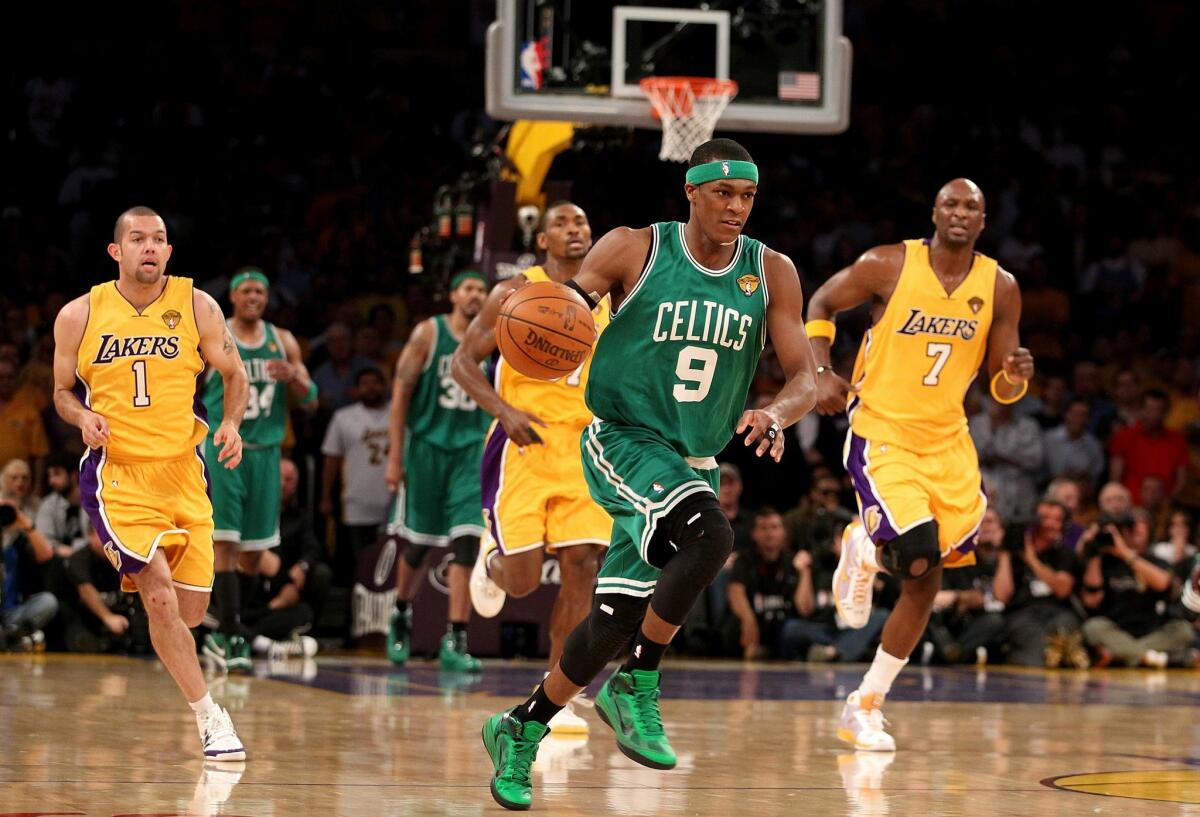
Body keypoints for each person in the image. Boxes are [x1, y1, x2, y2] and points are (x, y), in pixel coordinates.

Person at [480, 138, 818, 810]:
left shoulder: (771, 271)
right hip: (622, 436)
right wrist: (537, 310)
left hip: (691, 455)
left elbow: (807, 375)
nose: (736, 207)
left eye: (747, 195)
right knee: (712, 536)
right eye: (723, 192)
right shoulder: (634, 247)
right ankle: (638, 680)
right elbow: (566, 310)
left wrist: (777, 413)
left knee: (611, 618)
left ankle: (518, 725)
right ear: (690, 191)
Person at [807, 179, 1035, 751]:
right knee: (913, 552)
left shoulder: (1000, 287)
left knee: (926, 577)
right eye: (952, 204)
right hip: (882, 430)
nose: (961, 213)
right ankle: (862, 545)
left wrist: (1015, 376)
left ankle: (865, 703)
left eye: (973, 207)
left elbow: (1001, 388)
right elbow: (822, 304)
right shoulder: (886, 264)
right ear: (934, 212)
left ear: (984, 221)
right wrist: (818, 371)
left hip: (948, 441)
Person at [51, 206, 248, 760]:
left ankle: (166, 630)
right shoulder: (79, 315)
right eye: (138, 239)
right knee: (159, 599)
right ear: (116, 251)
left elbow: (234, 374)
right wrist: (81, 417)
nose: (150, 247)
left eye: (159, 239)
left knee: (187, 612)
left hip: (185, 471)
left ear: (168, 250)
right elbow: (62, 391)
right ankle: (211, 719)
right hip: (118, 475)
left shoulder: (197, 305)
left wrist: (230, 423)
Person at [451, 202, 612, 733]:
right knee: (521, 584)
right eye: (563, 223)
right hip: (524, 444)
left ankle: (557, 691)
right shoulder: (514, 292)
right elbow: (463, 362)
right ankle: (491, 561)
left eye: (582, 223)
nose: (576, 229)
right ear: (542, 240)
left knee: (582, 567)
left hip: (585, 449)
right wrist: (504, 410)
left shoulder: (614, 297)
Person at [201, 268, 317, 673]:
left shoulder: (281, 340)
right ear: (232, 296)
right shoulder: (216, 334)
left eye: (261, 291)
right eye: (246, 290)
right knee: (225, 543)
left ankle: (231, 626)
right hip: (225, 446)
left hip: (267, 452)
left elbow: (311, 399)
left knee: (254, 553)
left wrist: (296, 378)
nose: (254, 296)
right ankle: (230, 631)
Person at [385, 270, 491, 672]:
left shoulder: (495, 338)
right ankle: (401, 613)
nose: (476, 295)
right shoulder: (428, 334)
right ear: (452, 294)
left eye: (482, 290)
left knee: (466, 542)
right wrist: (396, 456)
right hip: (427, 449)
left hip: (469, 451)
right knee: (419, 544)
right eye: (468, 288)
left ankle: (457, 637)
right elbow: (400, 394)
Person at [1079, 512, 1191, 667]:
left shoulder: (1155, 561)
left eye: (1140, 526)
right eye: (1131, 527)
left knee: (1183, 630)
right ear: (1122, 532)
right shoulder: (1106, 562)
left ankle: (1123, 654)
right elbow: (1091, 600)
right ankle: (1153, 658)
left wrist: (1124, 552)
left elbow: (1164, 584)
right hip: (1115, 629)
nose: (1136, 530)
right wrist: (1094, 552)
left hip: (1152, 632)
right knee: (1092, 627)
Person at [320, 365, 392, 559]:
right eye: (364, 384)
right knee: (361, 560)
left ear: (385, 386)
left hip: (393, 499)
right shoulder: (343, 417)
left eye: (376, 383)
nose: (371, 388)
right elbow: (331, 460)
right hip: (357, 500)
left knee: (390, 559)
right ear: (355, 389)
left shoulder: (399, 413)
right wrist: (325, 495)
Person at [1, 496, 58, 650]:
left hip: (12, 613)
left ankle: (10, 637)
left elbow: (46, 553)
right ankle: (14, 639)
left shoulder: (16, 539)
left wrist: (23, 521)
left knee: (48, 601)